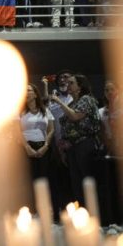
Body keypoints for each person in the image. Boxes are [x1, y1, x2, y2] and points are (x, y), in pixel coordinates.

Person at [50, 74, 102, 206]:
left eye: (72, 83)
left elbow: (74, 116)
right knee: (76, 181)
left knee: (86, 178)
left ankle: (94, 212)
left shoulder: (86, 99)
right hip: (72, 146)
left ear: (80, 87)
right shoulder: (72, 103)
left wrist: (59, 101)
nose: (68, 85)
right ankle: (83, 211)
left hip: (85, 144)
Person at [20, 84, 55, 182]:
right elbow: (16, 131)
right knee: (28, 179)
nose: (25, 93)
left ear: (35, 94)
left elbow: (51, 129)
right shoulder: (19, 111)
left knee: (43, 179)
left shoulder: (45, 110)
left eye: (28, 90)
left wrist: (45, 146)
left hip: (43, 147)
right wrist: (27, 148)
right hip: (25, 148)